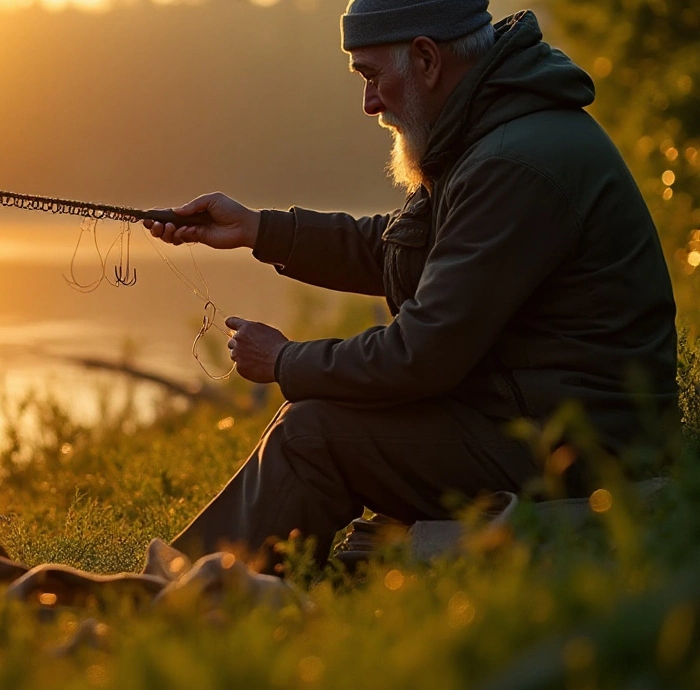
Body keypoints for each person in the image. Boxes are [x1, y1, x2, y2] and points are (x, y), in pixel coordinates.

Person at [145, 0, 678, 567]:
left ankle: (180, 597)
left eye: (373, 77)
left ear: (426, 58)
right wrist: (259, 230)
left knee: (313, 436)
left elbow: (421, 355)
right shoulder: (492, 131)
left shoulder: (512, 163)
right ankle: (196, 583)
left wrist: (284, 361)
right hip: (534, 422)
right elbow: (403, 249)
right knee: (315, 424)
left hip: (580, 450)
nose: (369, 102)